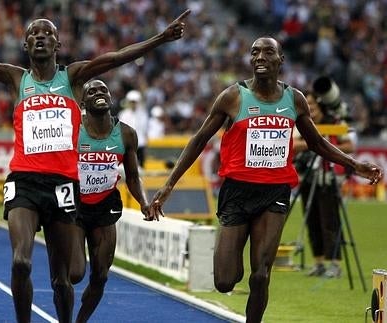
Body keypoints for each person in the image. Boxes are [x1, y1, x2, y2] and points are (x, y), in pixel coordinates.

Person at [0, 10, 190, 323]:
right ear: (26, 46)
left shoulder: (73, 77)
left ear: (58, 45)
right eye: (33, 34)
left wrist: (161, 38)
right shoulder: (16, 78)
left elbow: (117, 57)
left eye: (47, 34)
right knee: (21, 262)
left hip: (64, 187)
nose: (40, 37)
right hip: (24, 182)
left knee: (62, 279)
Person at [148, 37, 383, 323]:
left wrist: (354, 164)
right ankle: (232, 264)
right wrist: (169, 184)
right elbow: (198, 141)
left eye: (268, 51)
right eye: (255, 52)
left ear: (281, 60)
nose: (260, 57)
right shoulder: (232, 97)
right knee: (225, 280)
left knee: (261, 274)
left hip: (274, 192)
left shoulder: (294, 99)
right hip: (237, 192)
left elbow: (317, 143)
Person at [76, 79, 154, 322]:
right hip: (74, 207)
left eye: (104, 90)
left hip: (105, 206)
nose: (99, 93)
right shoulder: (73, 128)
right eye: (92, 91)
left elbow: (132, 176)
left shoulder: (127, 134)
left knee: (100, 275)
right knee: (73, 273)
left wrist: (143, 202)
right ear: (83, 102)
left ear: (111, 98)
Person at [293, 92, 356, 278]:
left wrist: (323, 144)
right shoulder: (302, 121)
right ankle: (318, 263)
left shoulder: (335, 122)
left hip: (329, 177)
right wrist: (316, 143)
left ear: (320, 105)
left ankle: (335, 264)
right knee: (311, 220)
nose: (310, 108)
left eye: (312, 104)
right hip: (307, 176)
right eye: (307, 104)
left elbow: (350, 146)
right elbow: (293, 144)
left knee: (330, 221)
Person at [118, 89, 149, 167]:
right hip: (127, 145)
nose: (133, 104)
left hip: (140, 144)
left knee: (141, 166)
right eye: (132, 102)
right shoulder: (123, 114)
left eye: (135, 102)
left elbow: (144, 129)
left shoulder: (143, 114)